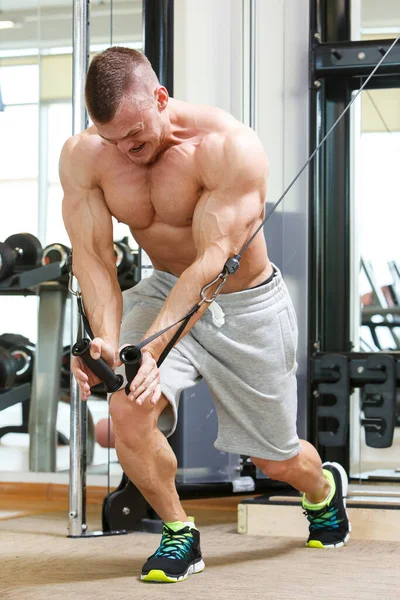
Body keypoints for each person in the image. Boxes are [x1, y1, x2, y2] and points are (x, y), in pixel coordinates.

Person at [60, 47, 350, 583]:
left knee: (276, 460)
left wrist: (147, 349)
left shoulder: (227, 148)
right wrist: (107, 343)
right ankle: (179, 533)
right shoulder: (85, 157)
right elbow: (94, 257)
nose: (124, 150)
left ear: (161, 98)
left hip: (244, 304)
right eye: (111, 139)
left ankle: (323, 488)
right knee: (129, 403)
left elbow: (212, 265)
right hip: (165, 286)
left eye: (135, 135)